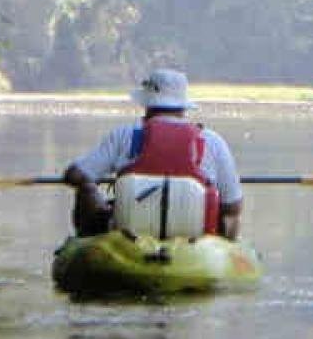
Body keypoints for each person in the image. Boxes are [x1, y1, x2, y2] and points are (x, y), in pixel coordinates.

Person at [62, 68, 243, 239]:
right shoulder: (213, 141)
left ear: (147, 104)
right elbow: (232, 206)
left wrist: (91, 185)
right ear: (183, 107)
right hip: (195, 237)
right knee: (231, 218)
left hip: (128, 234)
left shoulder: (123, 135)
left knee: (86, 188)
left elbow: (76, 174)